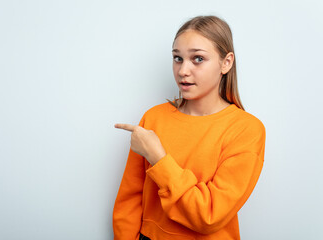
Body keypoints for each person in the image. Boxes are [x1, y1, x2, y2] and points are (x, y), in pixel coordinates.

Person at [112, 15, 266, 240]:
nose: (183, 70)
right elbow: (130, 199)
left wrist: (159, 159)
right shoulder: (153, 117)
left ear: (226, 62)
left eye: (198, 59)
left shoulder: (246, 130)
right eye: (177, 58)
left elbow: (209, 215)